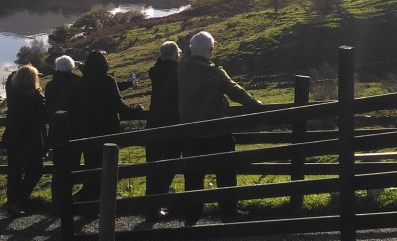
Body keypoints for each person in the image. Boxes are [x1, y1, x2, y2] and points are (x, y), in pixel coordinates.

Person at [177, 31, 262, 225]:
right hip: (215, 131)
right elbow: (235, 91)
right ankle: (229, 212)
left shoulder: (182, 70)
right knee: (225, 172)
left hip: (190, 132)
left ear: (191, 49)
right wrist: (255, 104)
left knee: (193, 176)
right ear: (211, 49)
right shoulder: (214, 72)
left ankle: (192, 216)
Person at [72, 50, 139, 200]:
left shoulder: (82, 82)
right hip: (107, 131)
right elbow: (119, 106)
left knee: (91, 163)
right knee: (107, 165)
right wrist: (137, 109)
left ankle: (89, 195)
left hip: (87, 130)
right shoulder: (107, 80)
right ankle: (104, 199)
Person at [2, 65, 48, 215]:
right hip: (32, 140)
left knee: (14, 171)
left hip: (14, 138)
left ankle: (13, 203)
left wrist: (21, 73)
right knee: (36, 169)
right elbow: (44, 115)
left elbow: (10, 79)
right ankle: (20, 200)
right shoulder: (37, 98)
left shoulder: (12, 94)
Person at [144, 41, 182, 220]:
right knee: (170, 163)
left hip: (153, 123)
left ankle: (151, 206)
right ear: (176, 54)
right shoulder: (178, 72)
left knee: (152, 166)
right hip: (172, 124)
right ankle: (159, 202)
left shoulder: (155, 72)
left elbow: (156, 67)